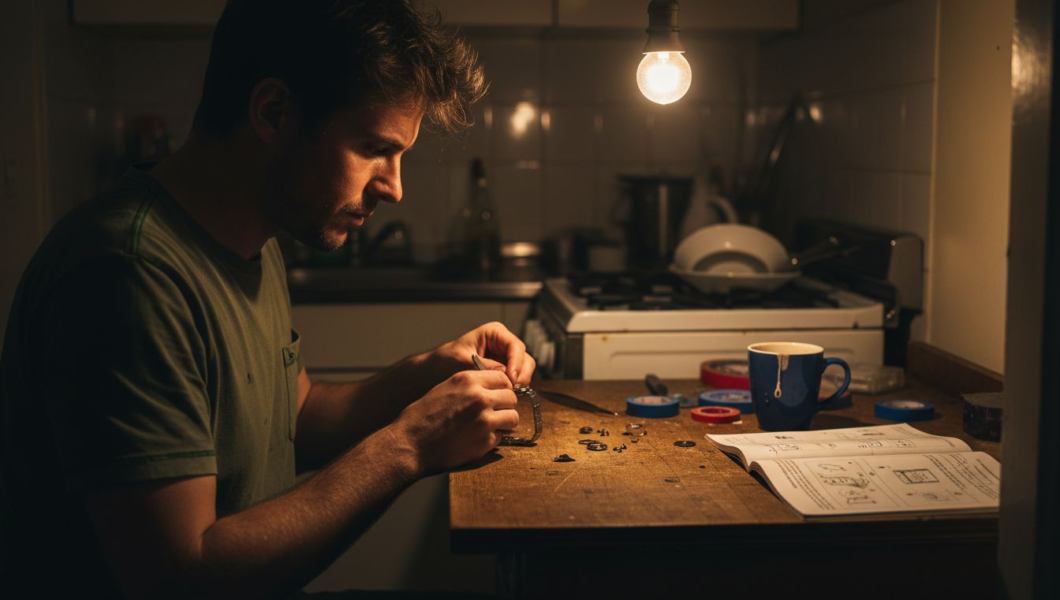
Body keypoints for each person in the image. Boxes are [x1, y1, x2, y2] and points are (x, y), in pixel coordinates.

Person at [0, 1, 535, 598]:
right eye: (372, 148)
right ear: (273, 113)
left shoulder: (254, 235)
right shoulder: (127, 273)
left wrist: (429, 372)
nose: (394, 188)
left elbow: (295, 419)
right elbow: (180, 576)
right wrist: (408, 446)